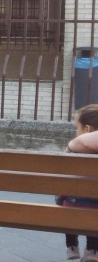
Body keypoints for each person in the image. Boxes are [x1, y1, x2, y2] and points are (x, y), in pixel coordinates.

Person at [62, 104, 98, 261]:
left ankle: (71, 246)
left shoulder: (75, 151)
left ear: (87, 129)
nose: (76, 132)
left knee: (64, 195)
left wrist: (70, 146)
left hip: (72, 207)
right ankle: (92, 250)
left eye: (77, 128)